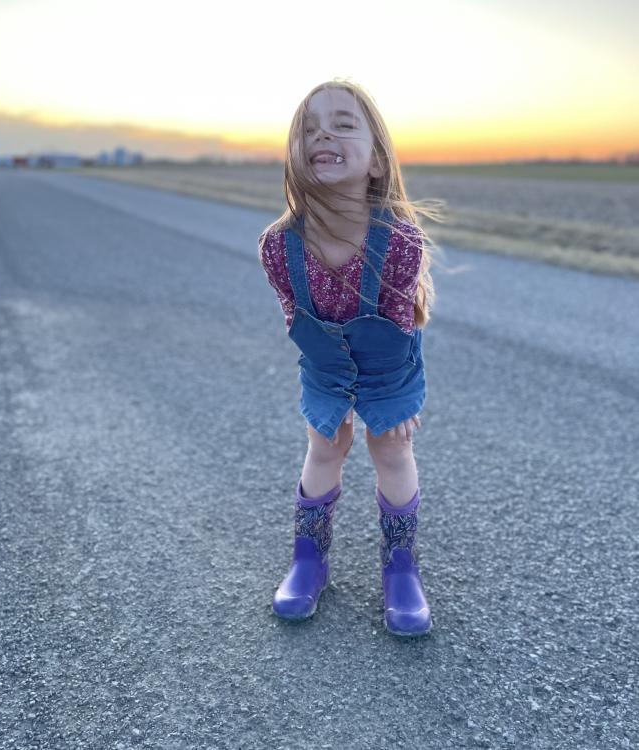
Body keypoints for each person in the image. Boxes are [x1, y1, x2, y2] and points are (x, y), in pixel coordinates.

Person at [257, 78, 444, 637]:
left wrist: (390, 402)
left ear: (378, 161)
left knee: (390, 447)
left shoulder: (400, 243)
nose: (323, 134)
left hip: (389, 363)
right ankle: (308, 560)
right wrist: (332, 398)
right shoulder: (278, 246)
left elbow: (398, 323)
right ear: (295, 155)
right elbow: (299, 319)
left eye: (342, 123)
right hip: (325, 364)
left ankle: (400, 567)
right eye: (309, 128)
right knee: (325, 445)